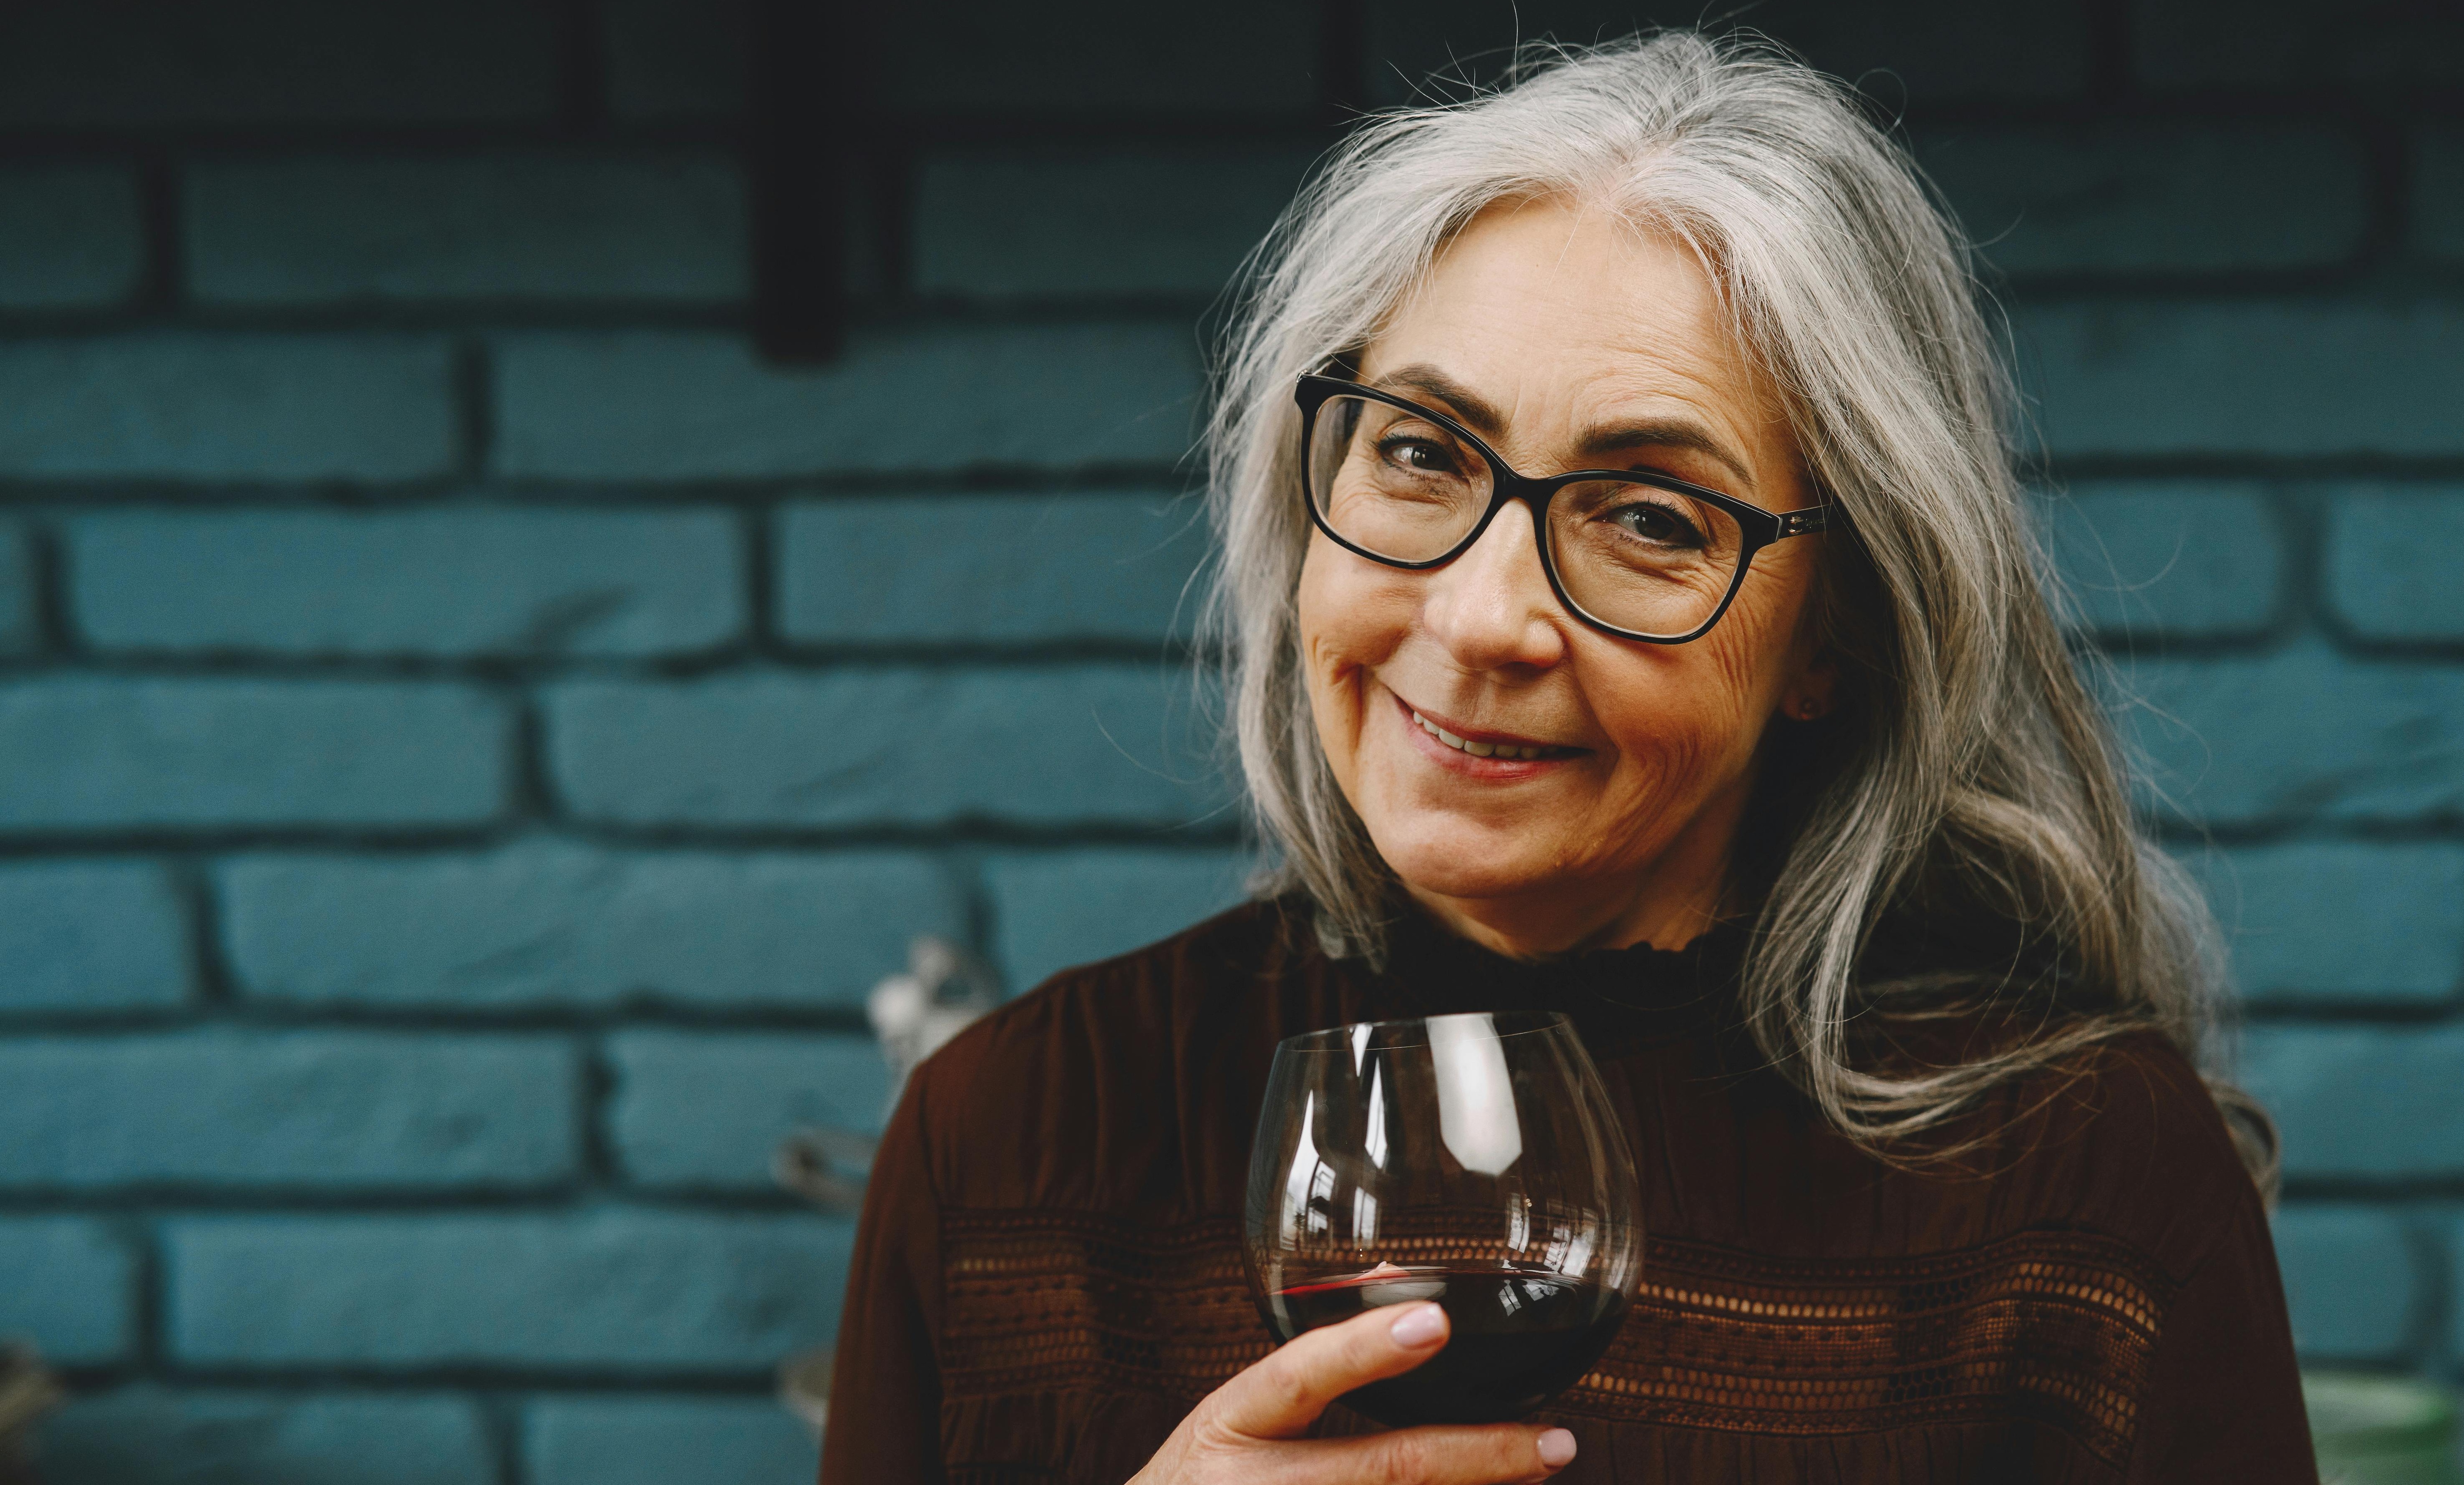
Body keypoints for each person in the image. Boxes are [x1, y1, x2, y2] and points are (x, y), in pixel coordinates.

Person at [821, 31, 2312, 1485]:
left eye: (1652, 519)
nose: (1480, 620)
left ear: (1830, 638)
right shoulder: (1006, 1147)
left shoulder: (2082, 1192)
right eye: (1418, 452)